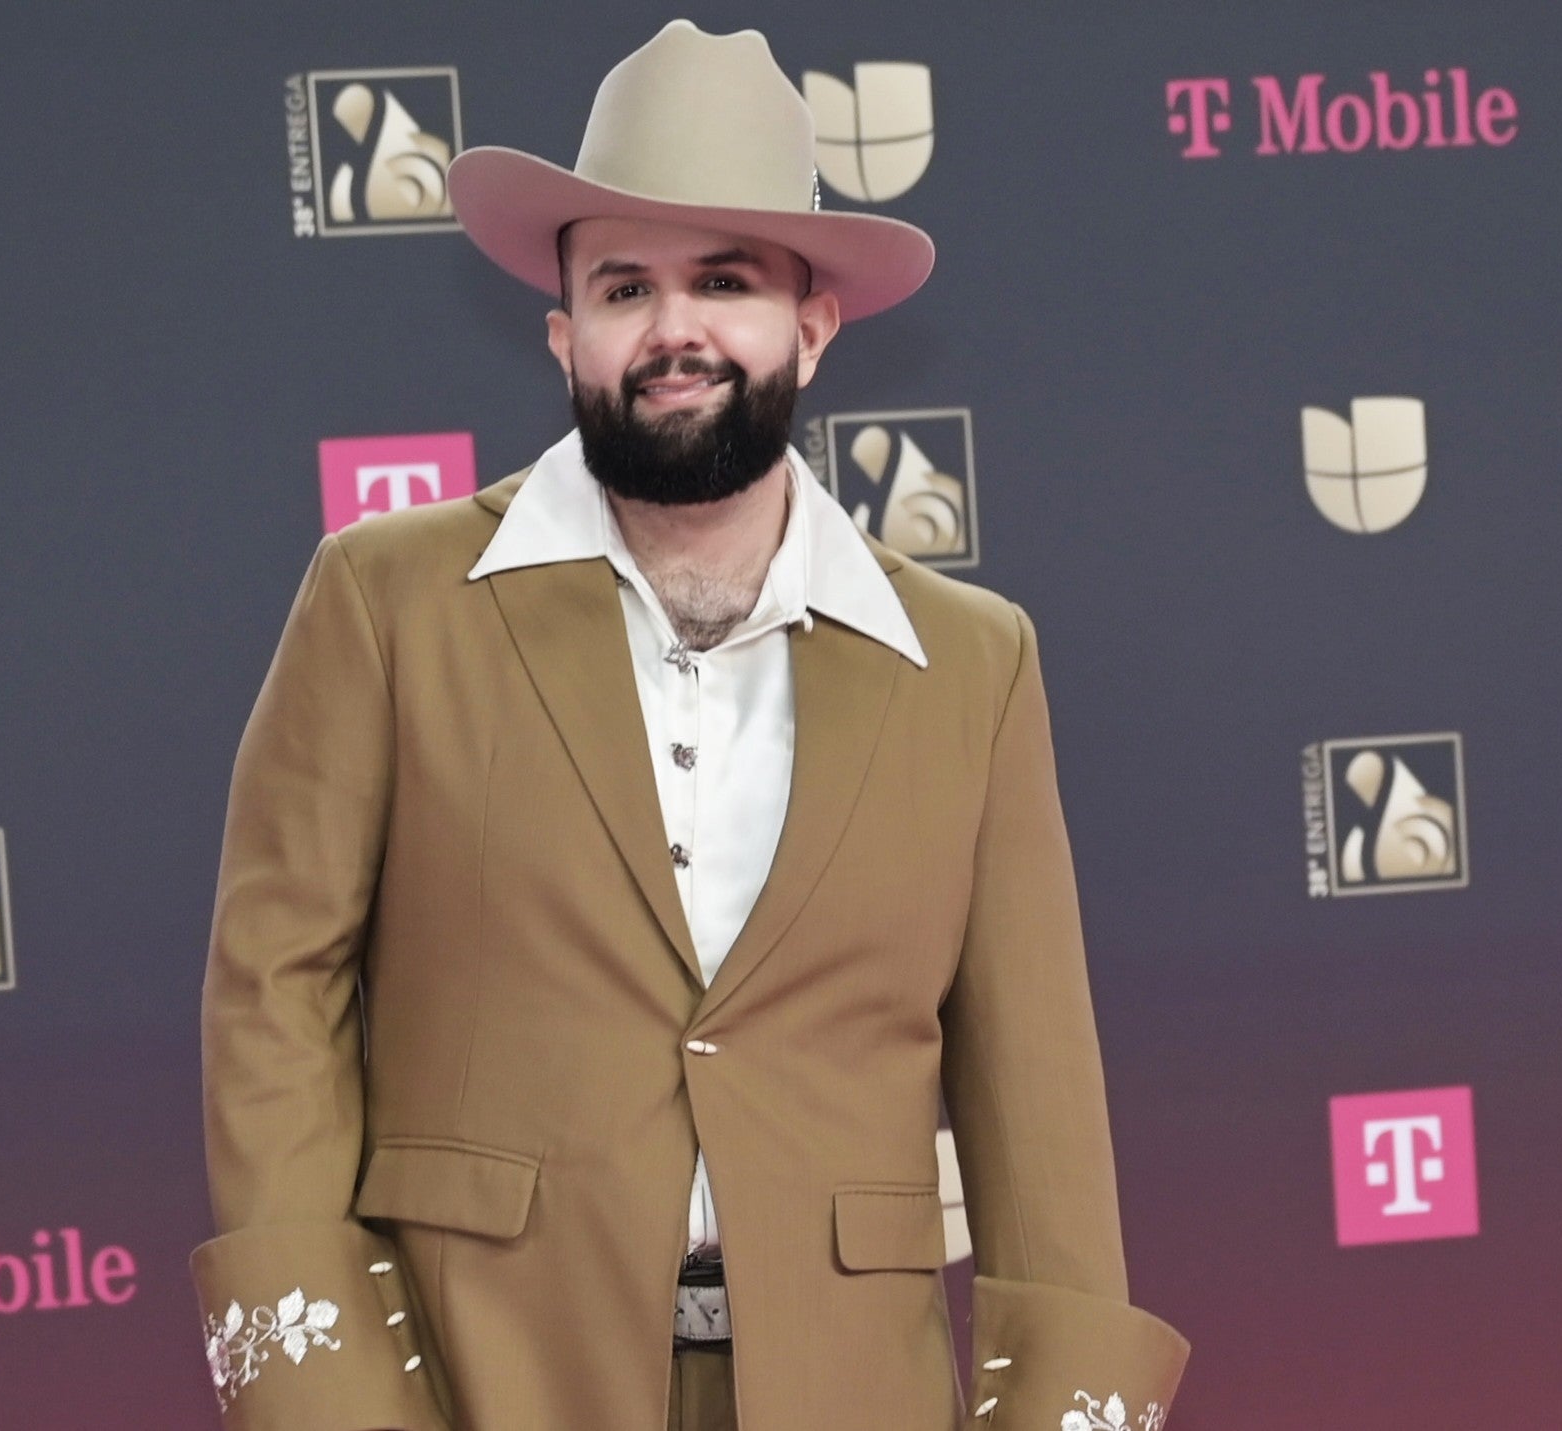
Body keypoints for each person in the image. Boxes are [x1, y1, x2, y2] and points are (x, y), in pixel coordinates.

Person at [190, 19, 1189, 1431]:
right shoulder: (384, 602)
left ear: (813, 326)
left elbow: (1039, 1097)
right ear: (564, 334)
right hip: (488, 1381)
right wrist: (329, 1400)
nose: (675, 331)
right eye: (624, 287)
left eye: (725, 282)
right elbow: (271, 1000)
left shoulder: (971, 665)